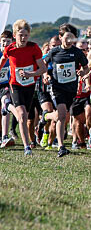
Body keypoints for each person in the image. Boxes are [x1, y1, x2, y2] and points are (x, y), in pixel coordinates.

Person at [40, 24, 89, 157]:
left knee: (62, 116)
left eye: (72, 38)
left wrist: (82, 72)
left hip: (71, 89)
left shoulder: (77, 52)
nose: (69, 41)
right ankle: (61, 146)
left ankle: (45, 117)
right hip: (57, 88)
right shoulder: (54, 51)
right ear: (60, 37)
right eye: (66, 37)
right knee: (62, 114)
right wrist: (45, 75)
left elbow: (86, 67)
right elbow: (43, 63)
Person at [0, 20, 48, 155]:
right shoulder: (10, 49)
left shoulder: (34, 48)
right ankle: (27, 147)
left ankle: (7, 106)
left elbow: (42, 69)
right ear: (14, 35)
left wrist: (30, 74)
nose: (23, 38)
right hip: (15, 85)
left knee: (25, 116)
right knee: (21, 114)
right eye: (20, 35)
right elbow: (2, 62)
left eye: (26, 35)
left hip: (30, 85)